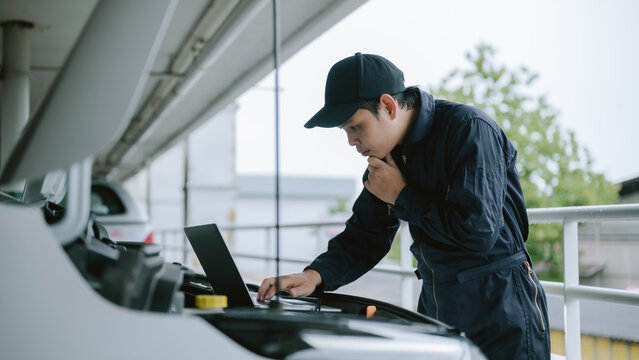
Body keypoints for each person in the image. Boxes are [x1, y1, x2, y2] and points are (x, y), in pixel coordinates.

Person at [257, 52, 551, 359]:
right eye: (345, 131)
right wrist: (315, 276)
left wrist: (401, 195)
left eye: (355, 126)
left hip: (500, 307)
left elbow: (478, 232)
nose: (350, 141)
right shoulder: (387, 157)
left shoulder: (468, 129)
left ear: (387, 106)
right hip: (438, 304)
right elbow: (366, 235)